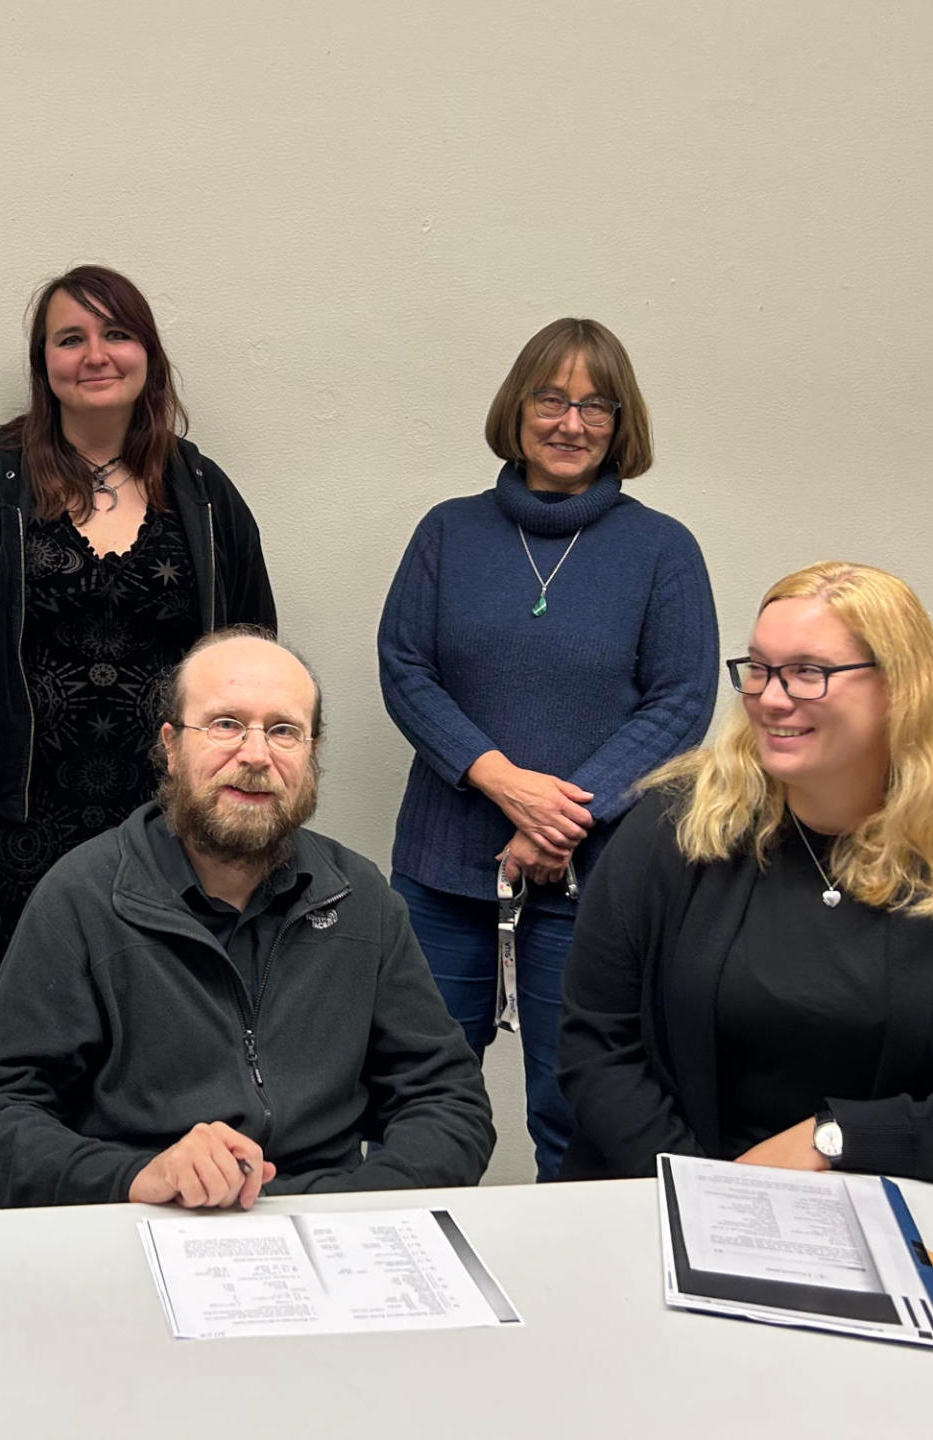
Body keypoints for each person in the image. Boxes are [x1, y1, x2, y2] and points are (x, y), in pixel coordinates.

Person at [558, 562, 933, 1187]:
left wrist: (839, 1138)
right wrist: (709, 1194)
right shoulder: (675, 826)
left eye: (809, 672)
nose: (771, 699)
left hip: (910, 1207)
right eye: (759, 668)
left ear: (900, 687)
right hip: (670, 1186)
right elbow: (597, 1046)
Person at [0, 630, 494, 1210]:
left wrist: (354, 1206)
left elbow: (449, 1101)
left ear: (310, 756)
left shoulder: (359, 898)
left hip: (328, 1220)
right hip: (145, 1217)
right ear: (171, 747)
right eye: (226, 724)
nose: (256, 755)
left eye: (283, 731)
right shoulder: (82, 898)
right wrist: (138, 1177)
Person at [0, 265, 277, 1002]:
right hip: (16, 827)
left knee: (168, 1038)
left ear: (147, 354)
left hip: (170, 823)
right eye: (70, 338)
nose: (95, 355)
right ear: (44, 363)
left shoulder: (204, 493)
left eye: (116, 334)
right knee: (29, 1045)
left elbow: (252, 649)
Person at [376, 317, 716, 1180]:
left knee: (579, 1113)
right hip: (444, 877)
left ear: (621, 422)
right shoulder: (448, 532)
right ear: (516, 408)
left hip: (590, 882)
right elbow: (405, 669)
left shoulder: (662, 550)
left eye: (596, 406)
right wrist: (504, 784)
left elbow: (681, 703)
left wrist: (562, 817)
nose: (571, 423)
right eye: (551, 399)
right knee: (418, 1102)